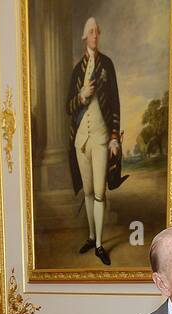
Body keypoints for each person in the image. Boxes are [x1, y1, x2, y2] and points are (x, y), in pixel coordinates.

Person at [67, 16, 125, 266]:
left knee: (100, 193)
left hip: (101, 136)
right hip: (81, 139)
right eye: (90, 31)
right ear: (84, 36)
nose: (94, 35)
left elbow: (114, 102)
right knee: (88, 192)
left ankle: (100, 244)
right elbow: (67, 108)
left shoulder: (107, 65)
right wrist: (81, 96)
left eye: (96, 31)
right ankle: (91, 236)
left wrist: (114, 137)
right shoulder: (76, 71)